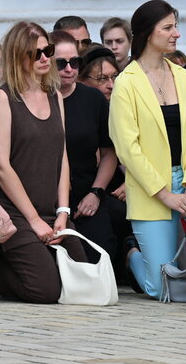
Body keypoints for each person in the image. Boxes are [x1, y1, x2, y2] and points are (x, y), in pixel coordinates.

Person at [109, 0, 186, 300]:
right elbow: (128, 149)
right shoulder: (126, 83)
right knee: (160, 289)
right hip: (152, 190)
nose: (176, 33)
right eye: (168, 27)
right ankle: (130, 255)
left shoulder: (185, 77)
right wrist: (166, 195)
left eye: (176, 25)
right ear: (148, 33)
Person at [0, 21, 86, 303]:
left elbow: (62, 156)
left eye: (48, 50)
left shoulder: (55, 95)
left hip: (50, 210)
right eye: (36, 53)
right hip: (14, 213)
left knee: (80, 280)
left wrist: (63, 212)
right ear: (19, 57)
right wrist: (32, 220)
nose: (45, 58)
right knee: (46, 291)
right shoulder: (4, 97)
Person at [50, 31, 127, 265]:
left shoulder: (92, 99)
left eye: (75, 62)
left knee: (99, 257)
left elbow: (108, 152)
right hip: (45, 196)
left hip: (86, 193)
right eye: (61, 63)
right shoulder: (36, 98)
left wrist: (96, 193)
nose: (69, 69)